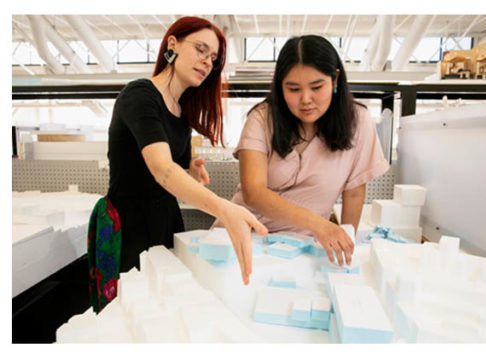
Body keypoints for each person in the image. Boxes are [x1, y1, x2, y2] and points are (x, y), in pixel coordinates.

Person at [105, 16, 267, 287]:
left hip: (166, 219)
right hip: (130, 225)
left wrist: (188, 170)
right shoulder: (140, 95)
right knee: (135, 305)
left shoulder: (181, 111)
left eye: (213, 58)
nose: (207, 62)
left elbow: (170, 168)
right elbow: (161, 169)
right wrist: (224, 208)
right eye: (200, 49)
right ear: (173, 44)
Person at [214, 35, 388, 266]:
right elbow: (253, 193)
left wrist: (346, 242)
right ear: (280, 86)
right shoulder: (261, 118)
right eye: (293, 89)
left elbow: (354, 192)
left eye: (317, 87)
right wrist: (318, 224)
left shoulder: (358, 121)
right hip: (242, 237)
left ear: (335, 80)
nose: (306, 99)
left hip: (302, 247)